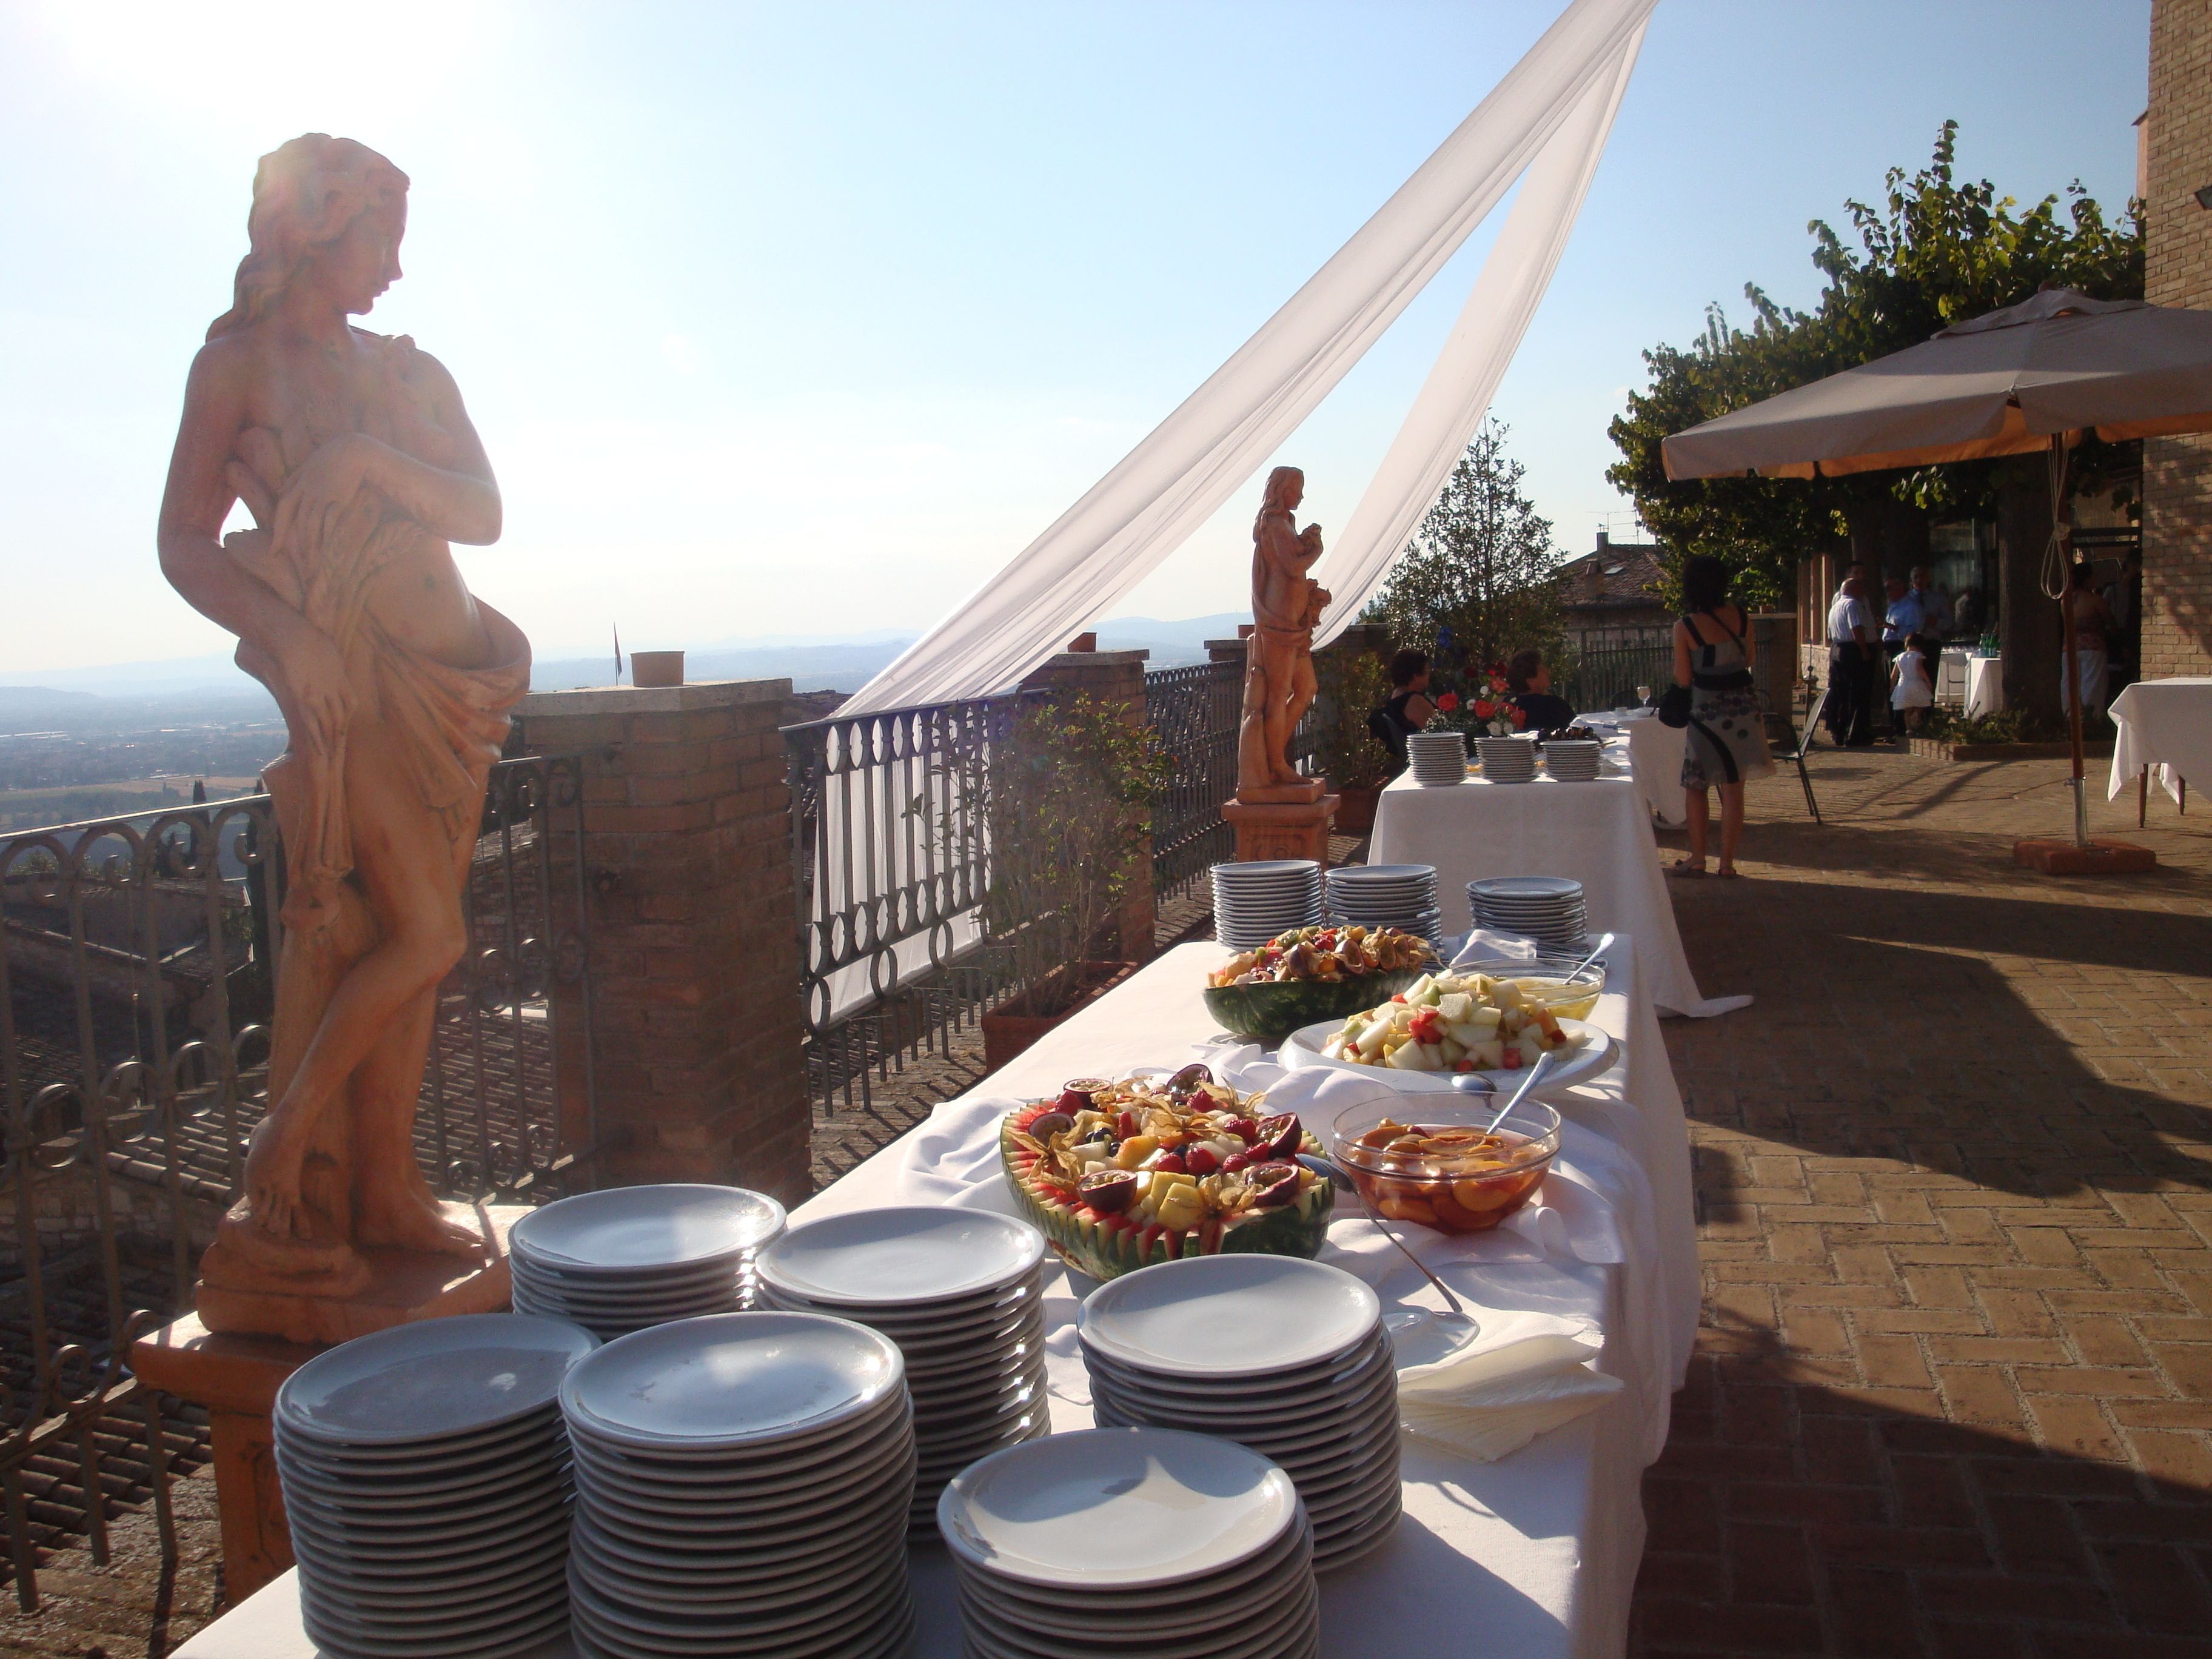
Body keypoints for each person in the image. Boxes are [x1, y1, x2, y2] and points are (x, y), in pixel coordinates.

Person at [157, 136, 531, 1265]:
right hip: (351, 686)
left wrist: (369, 458)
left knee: (401, 940)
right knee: (421, 934)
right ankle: (288, 1149)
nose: (397, 270)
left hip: (459, 692)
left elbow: (482, 513)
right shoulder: (235, 370)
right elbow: (184, 543)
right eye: (384, 238)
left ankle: (386, 1192)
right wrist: (285, 637)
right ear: (318, 228)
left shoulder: (404, 373)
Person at [1669, 555, 1772, 879]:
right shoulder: (1742, 617)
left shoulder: (1685, 627)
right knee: (1733, 787)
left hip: (1706, 713)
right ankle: (1727, 863)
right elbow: (1749, 658)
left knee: (1696, 785)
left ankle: (1697, 858)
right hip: (1744, 710)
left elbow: (1684, 679)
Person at [1823, 565, 1877, 747]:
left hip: (1838, 650)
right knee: (1857, 693)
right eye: (1860, 588)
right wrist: (1864, 650)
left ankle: (1840, 731)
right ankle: (1855, 734)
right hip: (1852, 651)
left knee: (1842, 693)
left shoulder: (1836, 606)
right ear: (1853, 590)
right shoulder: (1852, 604)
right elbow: (1857, 629)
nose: (1863, 592)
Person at [2061, 558, 2112, 722]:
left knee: (2070, 683)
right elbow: (2111, 621)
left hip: (2069, 647)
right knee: (2092, 684)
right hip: (2093, 646)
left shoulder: (2066, 601)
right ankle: (2091, 718)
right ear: (2087, 579)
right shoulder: (2095, 600)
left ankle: (2069, 716)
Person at [1368, 649, 1435, 771]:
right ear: (1416, 676)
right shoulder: (1415, 702)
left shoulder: (1393, 699)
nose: (1429, 677)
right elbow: (1440, 733)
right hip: (1426, 765)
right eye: (1426, 672)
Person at [1504, 648, 1576, 734]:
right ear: (1530, 679)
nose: (1547, 671)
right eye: (1541, 669)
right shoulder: (1554, 705)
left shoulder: (1507, 707)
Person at [1890, 631, 1935, 733]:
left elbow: (1894, 675)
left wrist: (1892, 687)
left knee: (1907, 709)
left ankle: (1909, 729)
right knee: (1920, 705)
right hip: (1917, 683)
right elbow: (1920, 669)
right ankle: (1916, 717)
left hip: (1903, 684)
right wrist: (1928, 681)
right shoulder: (1918, 656)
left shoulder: (1899, 657)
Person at [1909, 565, 1954, 640]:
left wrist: (1936, 622)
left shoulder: (1939, 598)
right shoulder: (1905, 600)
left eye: (1922, 576)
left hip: (1933, 642)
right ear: (1912, 581)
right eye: (1916, 577)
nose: (1919, 580)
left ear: (1928, 579)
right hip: (1912, 643)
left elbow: (1949, 623)